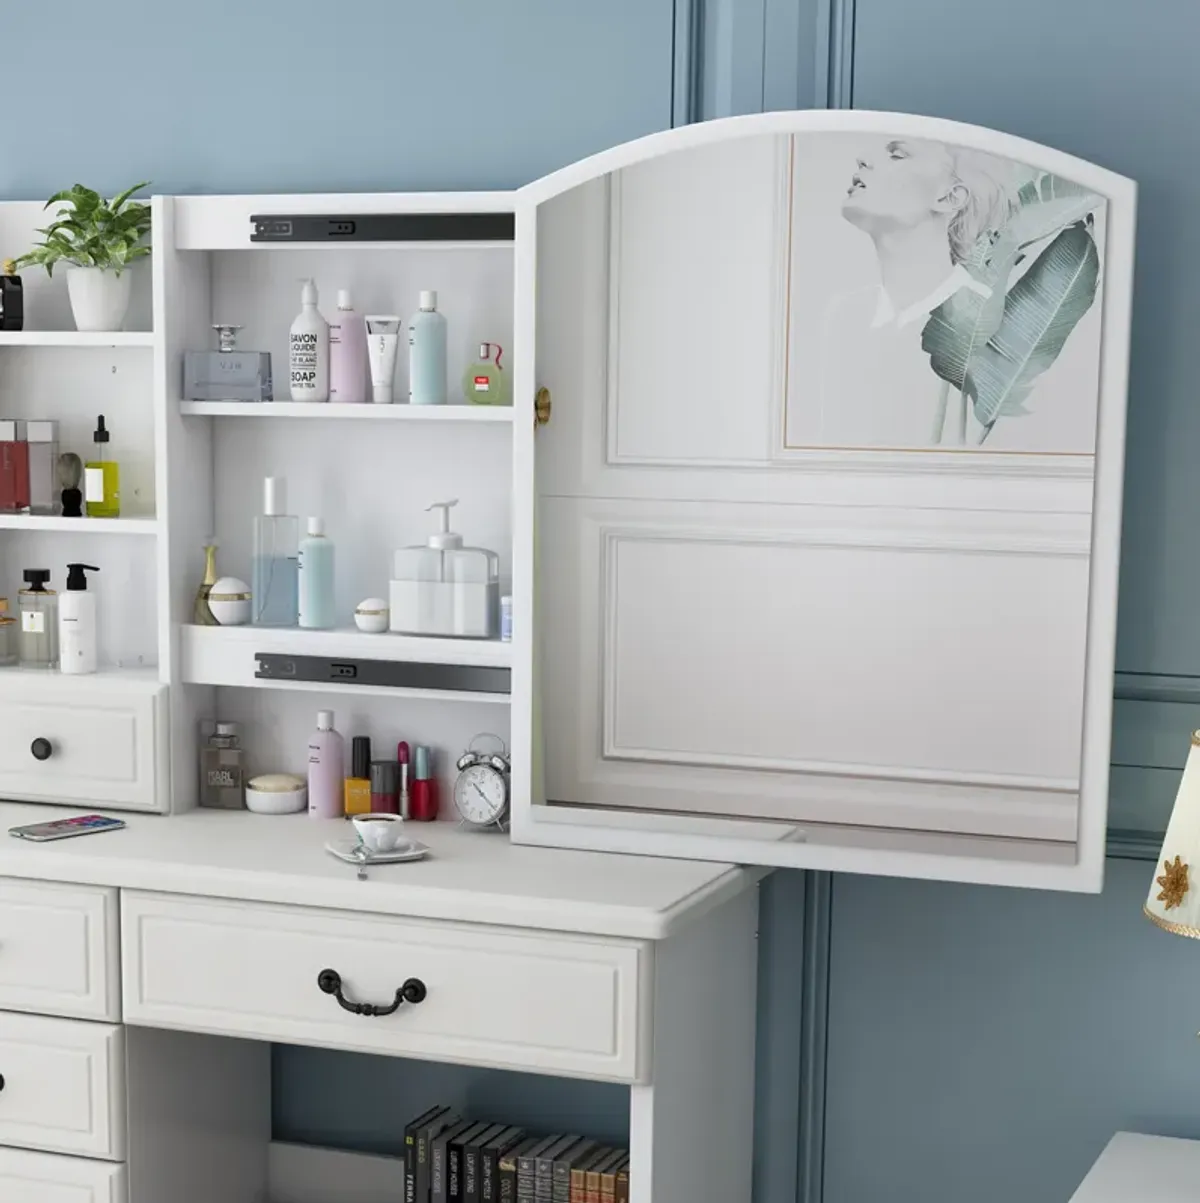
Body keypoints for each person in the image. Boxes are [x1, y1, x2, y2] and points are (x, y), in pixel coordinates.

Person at [808, 138, 1019, 448]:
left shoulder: (990, 323)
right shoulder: (844, 315)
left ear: (950, 198)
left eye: (897, 154)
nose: (862, 158)